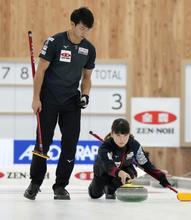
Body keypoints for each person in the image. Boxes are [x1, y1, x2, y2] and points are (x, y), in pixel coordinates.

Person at [24, 7, 96, 200]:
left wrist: (85, 95)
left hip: (71, 102)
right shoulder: (54, 42)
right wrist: (36, 98)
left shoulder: (89, 49)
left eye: (88, 29)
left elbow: (87, 77)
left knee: (70, 145)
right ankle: (35, 183)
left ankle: (60, 186)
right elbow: (40, 72)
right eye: (81, 28)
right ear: (72, 24)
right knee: (42, 143)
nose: (84, 32)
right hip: (48, 100)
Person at [88, 118, 171, 199]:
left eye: (125, 135)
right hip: (103, 172)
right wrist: (119, 172)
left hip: (124, 169)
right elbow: (108, 165)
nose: (122, 139)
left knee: (129, 174)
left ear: (129, 134)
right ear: (112, 134)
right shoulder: (105, 147)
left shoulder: (134, 145)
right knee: (95, 195)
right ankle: (96, 188)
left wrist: (160, 176)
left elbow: (146, 164)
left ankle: (110, 189)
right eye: (118, 135)